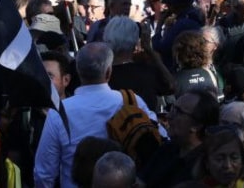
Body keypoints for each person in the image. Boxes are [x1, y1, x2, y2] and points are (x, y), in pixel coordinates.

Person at [35, 42, 160, 188]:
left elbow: (44, 174)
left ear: (78, 70)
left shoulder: (59, 112)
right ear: (108, 72)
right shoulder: (132, 101)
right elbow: (158, 138)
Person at [141, 88, 219, 187]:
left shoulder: (208, 167)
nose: (169, 116)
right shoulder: (166, 150)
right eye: (172, 109)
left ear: (197, 125)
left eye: (178, 112)